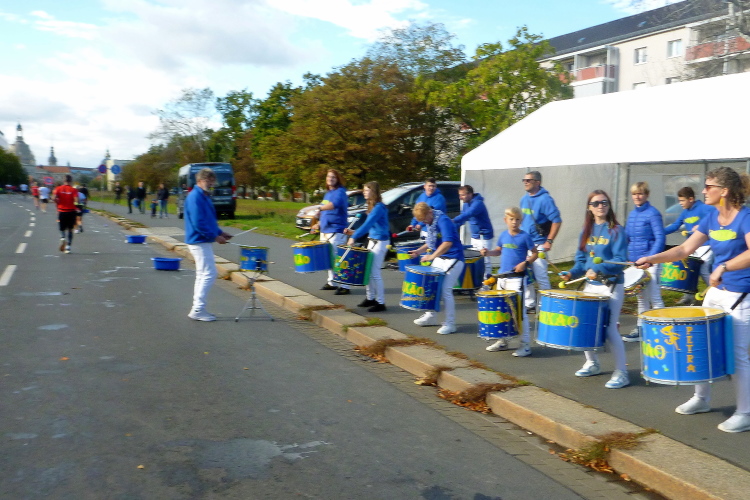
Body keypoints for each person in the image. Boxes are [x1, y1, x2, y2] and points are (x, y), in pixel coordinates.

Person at [635, 167, 750, 432]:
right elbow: (684, 249)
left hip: (741, 295)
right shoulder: (711, 218)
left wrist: (725, 267)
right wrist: (652, 258)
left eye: (709, 186)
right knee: (700, 344)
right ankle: (701, 399)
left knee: (738, 355)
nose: (704, 191)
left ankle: (745, 412)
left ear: (725, 191)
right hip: (716, 292)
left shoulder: (745, 218)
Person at [561, 190, 630, 389]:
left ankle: (622, 372)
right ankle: (592, 363)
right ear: (589, 208)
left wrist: (599, 269)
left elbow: (620, 261)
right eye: (596, 203)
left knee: (610, 329)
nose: (601, 206)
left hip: (611, 285)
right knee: (585, 324)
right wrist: (571, 273)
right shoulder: (586, 231)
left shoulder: (616, 231)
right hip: (591, 285)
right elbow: (581, 261)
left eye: (604, 202)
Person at [480, 206, 537, 356]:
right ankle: (503, 341)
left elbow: (535, 254)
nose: (514, 222)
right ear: (505, 220)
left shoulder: (525, 236)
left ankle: (525, 345)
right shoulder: (503, 235)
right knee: (502, 310)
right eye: (511, 219)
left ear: (521, 221)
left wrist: (525, 263)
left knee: (520, 313)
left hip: (517, 280)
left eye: (517, 219)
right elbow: (498, 251)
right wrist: (488, 253)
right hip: (502, 278)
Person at [408, 202, 465, 335]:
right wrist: (418, 251)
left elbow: (447, 243)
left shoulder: (443, 220)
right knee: (431, 286)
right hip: (441, 257)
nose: (425, 223)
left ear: (430, 212)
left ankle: (450, 323)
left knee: (445, 290)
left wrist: (431, 256)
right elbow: (431, 242)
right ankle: (431, 316)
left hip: (454, 258)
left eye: (425, 219)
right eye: (422, 221)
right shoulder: (431, 222)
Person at [185, 168, 233, 321]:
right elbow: (198, 222)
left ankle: (197, 308)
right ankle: (198, 309)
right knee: (209, 273)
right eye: (208, 180)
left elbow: (209, 220)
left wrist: (220, 232)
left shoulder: (204, 196)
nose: (211, 183)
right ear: (200, 181)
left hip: (202, 240)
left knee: (203, 274)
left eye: (212, 180)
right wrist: (215, 236)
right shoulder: (195, 197)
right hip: (199, 241)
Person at [625, 181, 665, 342]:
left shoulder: (653, 214)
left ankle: (663, 331)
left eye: (640, 193)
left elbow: (660, 238)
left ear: (647, 195)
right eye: (634, 194)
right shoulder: (632, 215)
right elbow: (628, 238)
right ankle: (641, 329)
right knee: (641, 298)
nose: (637, 197)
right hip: (636, 263)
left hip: (651, 262)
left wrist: (650, 259)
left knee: (655, 297)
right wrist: (627, 257)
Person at [664, 186, 717, 304]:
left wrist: (702, 225)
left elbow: (717, 214)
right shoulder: (685, 213)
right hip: (692, 246)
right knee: (689, 269)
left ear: (691, 199)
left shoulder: (704, 208)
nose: (680, 203)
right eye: (679, 200)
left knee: (704, 270)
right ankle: (688, 297)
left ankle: (715, 293)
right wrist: (659, 232)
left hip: (706, 245)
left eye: (682, 200)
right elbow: (675, 226)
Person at [520, 171, 562, 314]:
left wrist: (549, 241)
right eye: (524, 180)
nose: (525, 182)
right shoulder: (524, 199)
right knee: (526, 275)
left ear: (538, 182)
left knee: (541, 275)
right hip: (526, 243)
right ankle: (530, 303)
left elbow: (557, 221)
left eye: (529, 180)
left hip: (539, 243)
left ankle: (546, 305)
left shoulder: (545, 200)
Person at [344, 181, 389, 312]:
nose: (364, 192)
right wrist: (353, 232)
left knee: (375, 273)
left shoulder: (379, 207)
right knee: (368, 271)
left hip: (380, 242)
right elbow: (370, 227)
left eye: (366, 190)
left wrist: (354, 237)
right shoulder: (372, 206)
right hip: (372, 240)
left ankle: (381, 302)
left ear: (373, 192)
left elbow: (368, 224)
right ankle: (370, 298)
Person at [312, 169, 351, 295]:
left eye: (333, 177)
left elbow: (334, 205)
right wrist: (318, 224)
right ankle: (332, 282)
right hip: (325, 230)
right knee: (329, 258)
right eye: (329, 176)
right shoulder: (328, 193)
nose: (330, 179)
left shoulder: (341, 192)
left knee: (338, 258)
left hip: (336, 230)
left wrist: (319, 208)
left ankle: (345, 285)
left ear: (338, 179)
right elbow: (325, 212)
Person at [453, 185, 494, 278]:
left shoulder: (478, 203)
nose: (460, 197)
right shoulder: (466, 204)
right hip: (475, 236)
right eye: (459, 195)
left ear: (470, 194)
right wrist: (452, 227)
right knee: (475, 259)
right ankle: (477, 280)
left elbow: (469, 214)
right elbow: (463, 219)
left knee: (485, 260)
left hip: (484, 236)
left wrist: (453, 220)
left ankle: (487, 281)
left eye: (462, 195)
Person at [52, 175, 79, 254]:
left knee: (62, 229)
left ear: (64, 180)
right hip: (71, 211)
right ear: (71, 181)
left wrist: (57, 201)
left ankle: (63, 237)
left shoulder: (58, 188)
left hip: (62, 211)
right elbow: (76, 201)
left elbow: (53, 198)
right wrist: (76, 206)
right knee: (70, 229)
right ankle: (68, 247)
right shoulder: (73, 190)